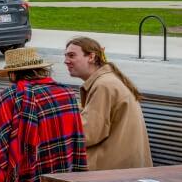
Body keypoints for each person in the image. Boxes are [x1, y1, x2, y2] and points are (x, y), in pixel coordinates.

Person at [0, 47, 86, 182]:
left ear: (13, 73)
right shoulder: (67, 93)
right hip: (66, 179)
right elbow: (77, 139)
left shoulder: (10, 96)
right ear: (40, 68)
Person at [64, 36, 152, 171]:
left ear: (91, 57)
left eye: (71, 56)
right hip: (127, 164)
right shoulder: (107, 79)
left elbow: (89, 133)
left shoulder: (103, 85)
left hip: (114, 168)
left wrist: (56, 125)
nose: (66, 61)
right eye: (66, 56)